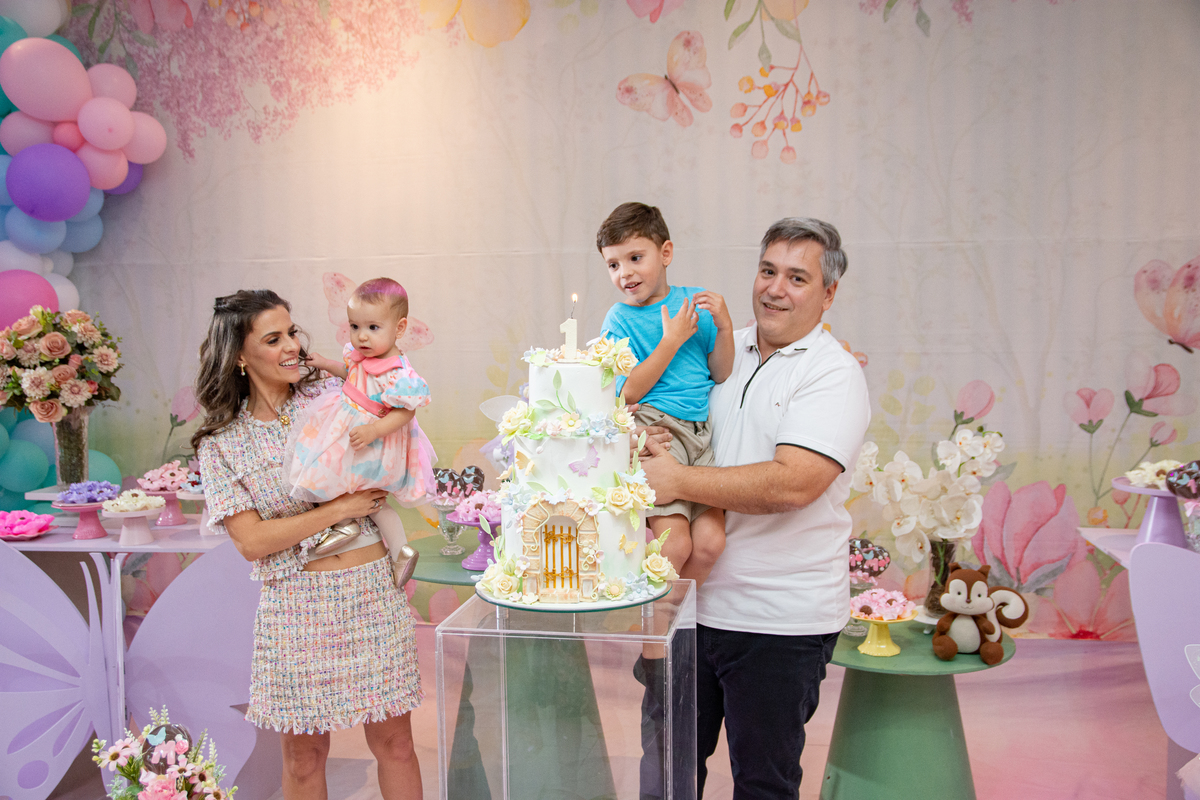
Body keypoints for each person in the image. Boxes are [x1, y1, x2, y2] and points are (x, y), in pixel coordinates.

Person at [641, 217, 870, 798]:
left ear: (828, 294)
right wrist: (645, 441)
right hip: (686, 611)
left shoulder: (833, 373)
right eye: (768, 271)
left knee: (763, 785)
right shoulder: (714, 348)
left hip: (779, 620)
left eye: (797, 277)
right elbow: (656, 409)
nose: (775, 288)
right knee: (665, 778)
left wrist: (677, 479)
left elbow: (793, 485)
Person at [193, 290, 422, 800]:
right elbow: (251, 541)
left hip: (370, 594)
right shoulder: (222, 443)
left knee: (397, 744)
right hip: (295, 606)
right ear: (239, 355)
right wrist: (338, 509)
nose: (292, 346)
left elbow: (402, 407)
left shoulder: (335, 393)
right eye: (273, 339)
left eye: (292, 332)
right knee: (303, 759)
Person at [598, 201, 734, 585]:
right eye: (613, 264)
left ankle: (678, 619)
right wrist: (670, 341)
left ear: (666, 253)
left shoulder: (693, 305)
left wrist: (724, 328)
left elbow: (721, 372)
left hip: (700, 435)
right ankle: (657, 626)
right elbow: (626, 392)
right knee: (674, 545)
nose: (625, 273)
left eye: (635, 258)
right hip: (657, 431)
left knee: (710, 544)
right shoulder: (619, 319)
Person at [283, 277, 435, 577]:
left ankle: (370, 536)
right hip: (347, 425)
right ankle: (383, 542)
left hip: (372, 439)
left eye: (373, 327)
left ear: (400, 328)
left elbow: (406, 412)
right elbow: (350, 373)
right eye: (355, 326)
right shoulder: (362, 356)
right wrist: (325, 363)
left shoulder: (399, 373)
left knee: (344, 482)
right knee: (328, 474)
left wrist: (374, 431)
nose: (361, 336)